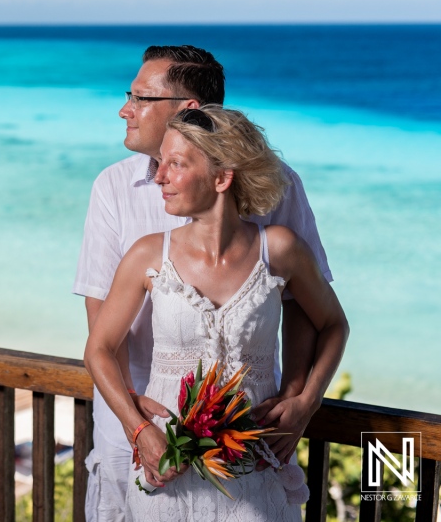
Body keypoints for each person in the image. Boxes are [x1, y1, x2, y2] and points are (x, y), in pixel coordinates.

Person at [72, 45, 333, 521]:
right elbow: (99, 317)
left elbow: (305, 306)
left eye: (141, 97)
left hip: (245, 433)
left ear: (188, 110)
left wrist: (297, 403)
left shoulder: (277, 184)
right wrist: (135, 418)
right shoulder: (111, 186)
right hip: (132, 427)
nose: (124, 109)